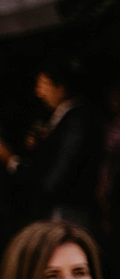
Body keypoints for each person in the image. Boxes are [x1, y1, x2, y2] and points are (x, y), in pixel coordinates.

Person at [1, 63, 104, 227]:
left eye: (43, 85)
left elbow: (54, 180)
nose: (39, 93)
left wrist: (11, 160)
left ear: (61, 88)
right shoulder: (68, 118)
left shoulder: (76, 120)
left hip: (65, 214)